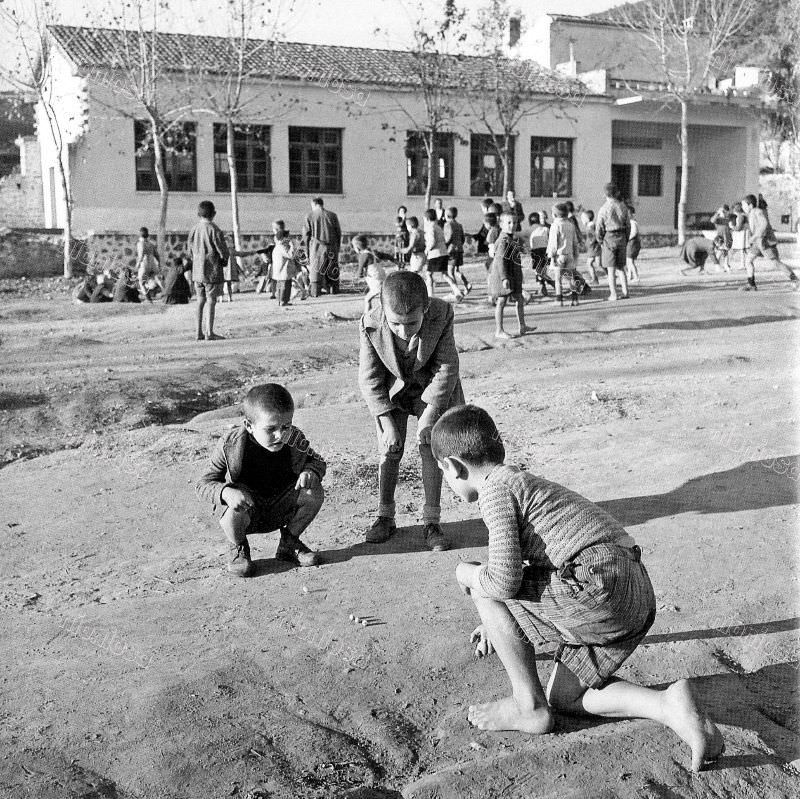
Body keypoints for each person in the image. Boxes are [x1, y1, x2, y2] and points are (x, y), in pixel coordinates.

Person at [431, 405, 726, 773]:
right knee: (567, 697)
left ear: (454, 466)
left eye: (443, 473)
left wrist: (467, 575)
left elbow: (504, 582)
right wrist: (494, 624)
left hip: (596, 585)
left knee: (484, 583)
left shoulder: (495, 491)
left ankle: (528, 707)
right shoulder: (522, 483)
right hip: (632, 590)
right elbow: (531, 571)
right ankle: (668, 706)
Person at [358, 270, 464, 552]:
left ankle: (432, 522)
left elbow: (447, 367)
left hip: (432, 389)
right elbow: (369, 379)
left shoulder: (442, 313)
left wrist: (430, 414)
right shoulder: (370, 323)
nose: (404, 331)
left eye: (412, 323)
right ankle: (385, 516)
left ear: (425, 308)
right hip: (392, 392)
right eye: (396, 324)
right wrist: (386, 421)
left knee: (429, 445)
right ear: (382, 310)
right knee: (389, 448)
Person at [196, 383, 325, 578]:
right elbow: (203, 484)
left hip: (281, 506)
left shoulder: (294, 438)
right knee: (232, 508)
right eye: (270, 429)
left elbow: (317, 461)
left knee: (313, 491)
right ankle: (239, 550)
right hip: (247, 511)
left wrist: (310, 471)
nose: (280, 435)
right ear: (249, 425)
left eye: (286, 426)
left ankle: (289, 544)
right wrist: (226, 492)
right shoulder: (230, 444)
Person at [188, 200, 228, 341]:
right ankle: (209, 332)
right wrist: (224, 260)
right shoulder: (214, 230)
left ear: (198, 214)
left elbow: (189, 249)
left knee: (200, 301)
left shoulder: (194, 229)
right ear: (214, 214)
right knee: (211, 300)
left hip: (197, 271)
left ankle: (198, 332)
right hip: (211, 271)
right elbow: (221, 249)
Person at [740, 194, 798, 291]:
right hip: (757, 243)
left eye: (744, 205)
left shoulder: (757, 212)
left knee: (775, 263)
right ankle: (751, 284)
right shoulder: (751, 213)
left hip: (765, 242)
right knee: (748, 260)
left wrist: (754, 236)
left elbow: (764, 224)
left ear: (750, 205)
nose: (742, 207)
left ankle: (795, 280)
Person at [489, 212, 530, 338]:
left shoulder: (510, 238)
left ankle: (522, 326)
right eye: (509, 223)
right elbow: (500, 261)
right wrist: (504, 278)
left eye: (515, 222)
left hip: (514, 275)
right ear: (501, 224)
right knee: (501, 301)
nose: (512, 225)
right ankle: (499, 330)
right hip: (504, 276)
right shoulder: (503, 240)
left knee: (519, 299)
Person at [596, 183, 630, 301]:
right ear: (617, 193)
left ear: (605, 194)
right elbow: (628, 224)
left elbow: (599, 226)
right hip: (622, 236)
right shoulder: (623, 206)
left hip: (609, 237)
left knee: (611, 269)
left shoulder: (604, 208)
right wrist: (626, 237)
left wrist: (600, 239)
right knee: (621, 267)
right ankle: (626, 291)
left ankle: (613, 293)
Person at [303, 197, 342, 296]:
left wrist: (307, 250)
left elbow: (306, 235)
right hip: (332, 245)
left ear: (314, 204)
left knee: (316, 269)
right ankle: (334, 290)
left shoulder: (309, 216)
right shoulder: (332, 215)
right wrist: (337, 247)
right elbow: (338, 233)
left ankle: (315, 292)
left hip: (316, 247)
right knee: (332, 267)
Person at [424, 209, 463, 299]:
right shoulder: (438, 227)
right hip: (444, 253)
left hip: (435, 254)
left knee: (429, 274)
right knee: (445, 274)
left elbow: (432, 241)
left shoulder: (430, 227)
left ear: (427, 219)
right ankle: (457, 291)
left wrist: (427, 249)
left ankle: (430, 295)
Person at [546, 203, 580, 305]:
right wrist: (575, 254)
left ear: (554, 215)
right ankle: (575, 299)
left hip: (559, 255)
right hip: (569, 254)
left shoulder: (555, 226)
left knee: (558, 279)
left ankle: (559, 299)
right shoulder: (571, 225)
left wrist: (551, 255)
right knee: (571, 277)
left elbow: (553, 243)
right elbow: (575, 241)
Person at [354, 233, 387, 313]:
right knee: (380, 298)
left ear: (357, 247)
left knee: (368, 299)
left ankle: (367, 315)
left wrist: (357, 277)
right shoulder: (371, 252)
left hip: (375, 280)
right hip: (382, 277)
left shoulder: (363, 256)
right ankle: (378, 313)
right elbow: (385, 255)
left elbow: (360, 272)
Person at [444, 206, 471, 295]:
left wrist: (445, 245)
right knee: (457, 271)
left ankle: (455, 291)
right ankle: (466, 283)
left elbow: (448, 237)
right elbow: (463, 238)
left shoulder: (448, 225)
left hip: (452, 251)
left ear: (447, 215)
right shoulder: (459, 225)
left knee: (450, 272)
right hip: (459, 250)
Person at [135, 227, 162, 302]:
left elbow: (141, 255)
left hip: (144, 263)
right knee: (156, 278)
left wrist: (137, 266)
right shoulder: (151, 244)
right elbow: (157, 255)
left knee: (141, 281)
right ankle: (165, 291)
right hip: (152, 263)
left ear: (140, 234)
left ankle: (148, 299)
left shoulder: (140, 243)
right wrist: (159, 264)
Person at [584, 210, 601, 284]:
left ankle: (595, 279)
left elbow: (593, 236)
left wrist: (590, 243)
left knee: (591, 263)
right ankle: (595, 279)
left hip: (593, 247)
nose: (582, 220)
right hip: (594, 247)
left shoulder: (590, 226)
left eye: (583, 218)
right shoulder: (591, 225)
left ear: (587, 219)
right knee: (596, 263)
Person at [626, 207, 641, 282]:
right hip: (630, 244)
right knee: (628, 261)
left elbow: (634, 233)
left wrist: (627, 238)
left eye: (628, 214)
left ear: (632, 214)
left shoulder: (633, 222)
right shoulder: (630, 222)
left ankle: (636, 276)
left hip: (633, 243)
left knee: (630, 261)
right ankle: (629, 276)